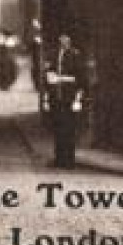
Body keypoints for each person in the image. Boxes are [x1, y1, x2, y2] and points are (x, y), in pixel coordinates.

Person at [44, 32, 87, 169]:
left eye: (66, 38)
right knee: (58, 128)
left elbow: (80, 78)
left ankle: (69, 160)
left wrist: (78, 98)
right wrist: (48, 91)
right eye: (61, 38)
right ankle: (59, 159)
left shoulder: (75, 55)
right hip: (57, 97)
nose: (63, 41)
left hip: (69, 97)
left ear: (70, 41)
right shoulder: (54, 55)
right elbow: (49, 74)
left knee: (69, 129)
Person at [27, 19, 45, 92]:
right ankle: (37, 85)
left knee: (40, 69)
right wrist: (34, 40)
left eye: (36, 23)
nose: (34, 24)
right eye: (33, 23)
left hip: (41, 55)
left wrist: (41, 41)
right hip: (35, 55)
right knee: (35, 69)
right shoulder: (32, 32)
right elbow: (28, 42)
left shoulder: (42, 31)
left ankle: (40, 85)